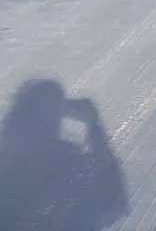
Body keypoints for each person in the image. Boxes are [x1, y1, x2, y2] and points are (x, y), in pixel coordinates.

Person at [0, 79, 127, 230]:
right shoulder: (73, 167)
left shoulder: (73, 167)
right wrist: (94, 125)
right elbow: (115, 201)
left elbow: (114, 201)